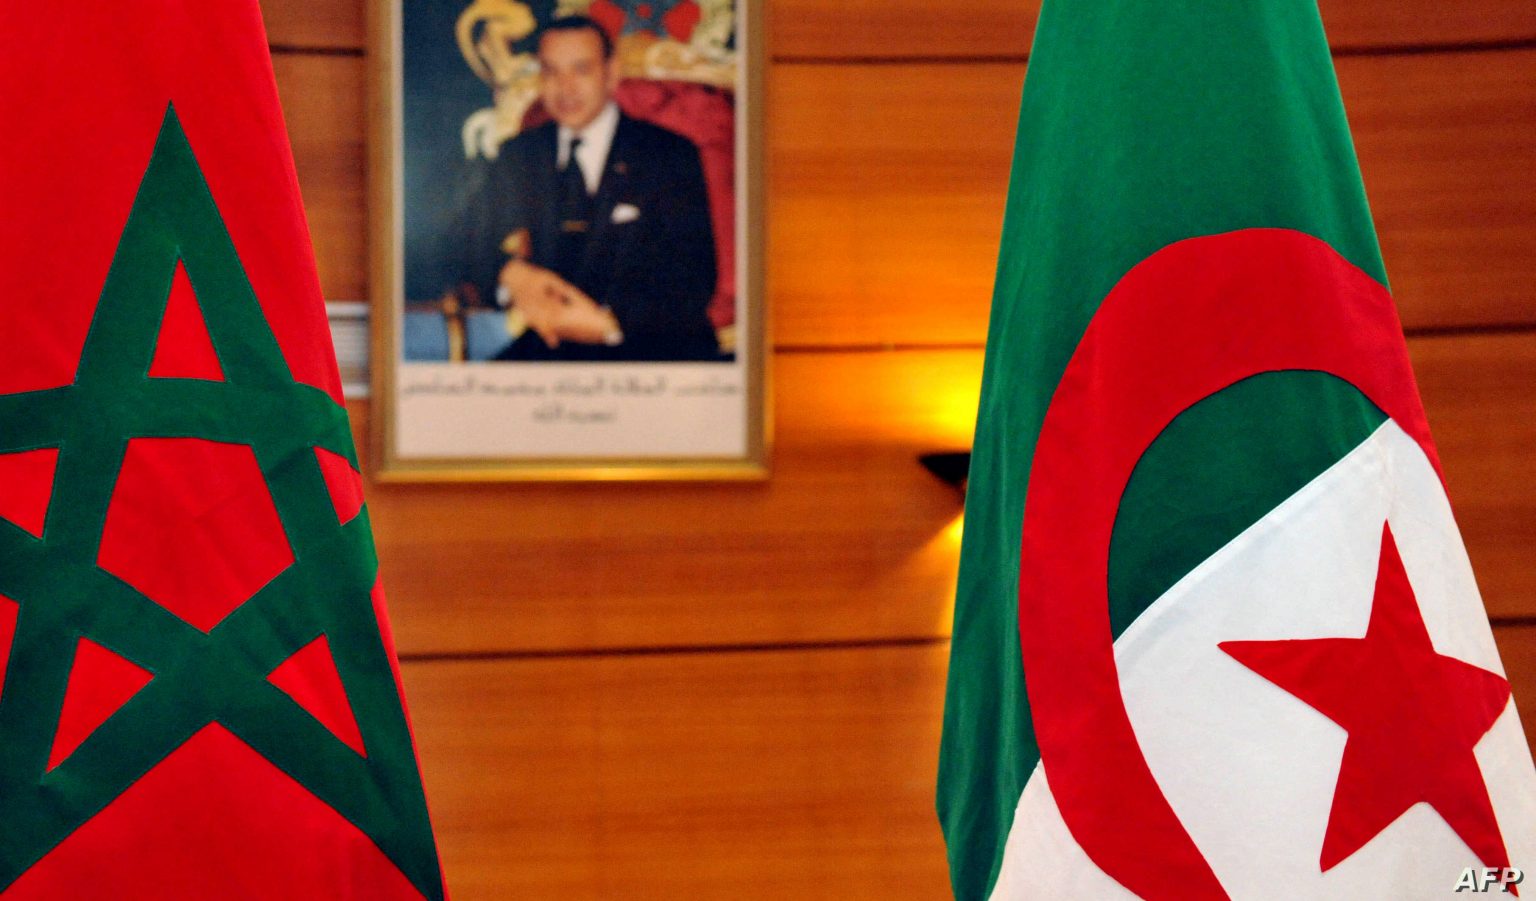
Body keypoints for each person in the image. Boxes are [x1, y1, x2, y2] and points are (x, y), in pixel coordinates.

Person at [458, 15, 720, 362]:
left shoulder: (668, 154)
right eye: (551, 72)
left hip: (653, 348)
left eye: (580, 70)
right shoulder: (522, 155)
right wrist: (511, 276)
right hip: (551, 348)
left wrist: (609, 324)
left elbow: (695, 276)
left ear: (611, 73)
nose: (564, 88)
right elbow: (458, 243)